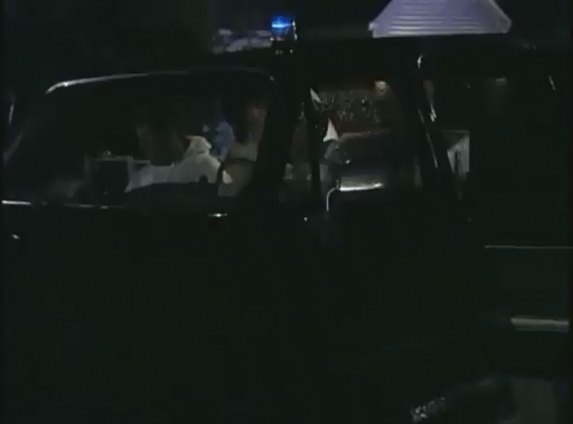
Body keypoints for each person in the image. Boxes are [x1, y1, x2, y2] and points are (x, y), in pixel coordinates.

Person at [125, 112, 230, 193]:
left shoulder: (206, 168)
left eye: (146, 141)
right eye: (142, 141)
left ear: (168, 134)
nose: (143, 147)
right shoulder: (142, 178)